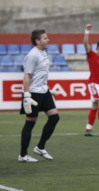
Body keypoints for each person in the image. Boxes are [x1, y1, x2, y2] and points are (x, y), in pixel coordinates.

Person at [18, 29, 60, 162]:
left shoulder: (43, 52)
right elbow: (27, 76)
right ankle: (23, 155)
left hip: (44, 91)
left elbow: (41, 74)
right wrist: (26, 96)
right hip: (34, 93)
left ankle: (40, 147)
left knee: (54, 118)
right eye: (45, 38)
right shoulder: (32, 55)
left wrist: (49, 89)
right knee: (30, 123)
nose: (48, 40)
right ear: (37, 41)